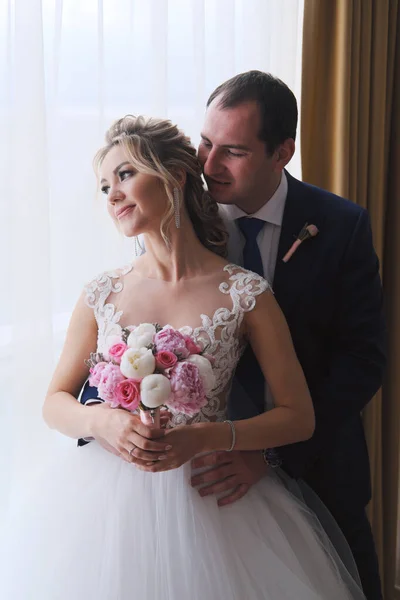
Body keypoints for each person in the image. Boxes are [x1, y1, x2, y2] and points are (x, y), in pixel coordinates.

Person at [0, 115, 365, 599]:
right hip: (106, 506)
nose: (111, 194)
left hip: (214, 498)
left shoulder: (246, 293)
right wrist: (104, 422)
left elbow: (298, 417)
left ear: (174, 174)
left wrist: (209, 438)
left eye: (125, 174)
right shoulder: (101, 293)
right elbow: (54, 402)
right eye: (104, 184)